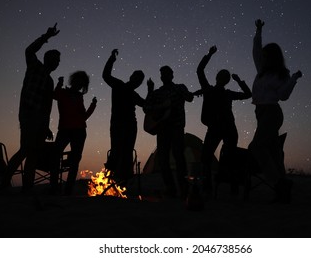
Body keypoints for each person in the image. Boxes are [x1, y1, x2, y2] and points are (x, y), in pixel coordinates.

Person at [1, 23, 61, 193]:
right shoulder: (35, 67)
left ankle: (27, 187)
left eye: (58, 61)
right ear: (47, 59)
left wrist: (46, 125)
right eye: (55, 59)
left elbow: (47, 105)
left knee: (34, 154)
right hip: (28, 115)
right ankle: (4, 182)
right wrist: (46, 36)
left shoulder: (49, 81)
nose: (57, 63)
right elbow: (29, 50)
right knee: (26, 150)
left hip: (40, 120)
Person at [248, 19, 302, 203]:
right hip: (260, 113)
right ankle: (283, 190)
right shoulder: (261, 70)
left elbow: (284, 95)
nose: (262, 57)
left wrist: (293, 79)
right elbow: (255, 50)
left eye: (265, 55)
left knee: (256, 147)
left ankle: (278, 183)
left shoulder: (281, 74)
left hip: (272, 113)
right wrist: (258, 30)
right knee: (274, 153)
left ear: (272, 56)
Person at [196, 45, 252, 196]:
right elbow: (199, 71)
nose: (223, 79)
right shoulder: (211, 90)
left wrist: (240, 81)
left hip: (225, 129)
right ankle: (212, 186)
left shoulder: (223, 93)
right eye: (223, 77)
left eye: (225, 78)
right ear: (219, 78)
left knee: (218, 158)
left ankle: (224, 187)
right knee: (208, 158)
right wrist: (209, 54)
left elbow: (248, 94)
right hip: (221, 128)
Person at [144, 66, 194, 198]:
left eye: (166, 73)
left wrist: (188, 95)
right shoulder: (157, 92)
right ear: (161, 77)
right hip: (162, 129)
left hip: (177, 127)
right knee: (163, 159)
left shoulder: (180, 88)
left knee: (179, 156)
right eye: (162, 74)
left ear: (172, 75)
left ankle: (183, 188)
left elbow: (190, 98)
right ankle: (170, 188)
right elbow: (146, 108)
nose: (164, 76)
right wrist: (150, 92)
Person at [102, 49, 149, 185]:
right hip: (118, 124)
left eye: (140, 80)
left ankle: (123, 180)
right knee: (116, 150)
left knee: (127, 151)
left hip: (130, 125)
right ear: (131, 77)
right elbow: (105, 75)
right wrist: (111, 59)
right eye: (136, 78)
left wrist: (150, 90)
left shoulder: (134, 95)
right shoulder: (118, 85)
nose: (138, 81)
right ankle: (112, 178)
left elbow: (146, 106)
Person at [51, 71, 97, 195]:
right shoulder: (63, 92)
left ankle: (68, 190)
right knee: (56, 156)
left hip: (79, 131)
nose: (80, 84)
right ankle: (54, 187)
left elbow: (83, 116)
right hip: (65, 130)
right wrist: (59, 84)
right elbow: (54, 95)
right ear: (73, 80)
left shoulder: (79, 96)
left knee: (74, 161)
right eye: (78, 81)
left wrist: (93, 105)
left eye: (82, 83)